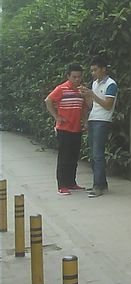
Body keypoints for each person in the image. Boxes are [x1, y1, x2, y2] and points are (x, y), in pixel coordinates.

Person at [45, 64, 89, 196]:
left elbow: (84, 108)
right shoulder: (62, 89)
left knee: (73, 157)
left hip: (76, 128)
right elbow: (48, 100)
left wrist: (85, 121)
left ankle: (71, 182)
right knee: (64, 157)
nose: (77, 79)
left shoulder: (81, 90)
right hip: (64, 129)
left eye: (79, 77)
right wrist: (56, 116)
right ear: (68, 76)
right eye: (74, 77)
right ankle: (62, 185)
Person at [81, 55, 118, 198]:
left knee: (98, 154)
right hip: (93, 118)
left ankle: (98, 186)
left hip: (102, 120)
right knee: (93, 154)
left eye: (95, 70)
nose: (93, 73)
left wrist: (93, 94)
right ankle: (101, 184)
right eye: (91, 70)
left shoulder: (111, 84)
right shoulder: (95, 83)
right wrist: (86, 95)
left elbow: (108, 105)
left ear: (103, 69)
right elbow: (92, 105)